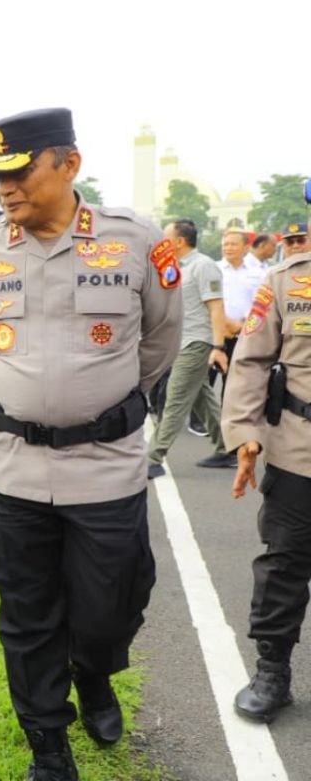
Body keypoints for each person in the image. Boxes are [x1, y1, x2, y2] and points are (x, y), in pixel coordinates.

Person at [0, 108, 181, 780]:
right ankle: (48, 744)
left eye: (19, 172)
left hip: (103, 468)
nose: (5, 190)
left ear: (69, 164)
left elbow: (161, 339)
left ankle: (95, 672)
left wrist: (94, 405)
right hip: (10, 468)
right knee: (27, 615)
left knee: (111, 608)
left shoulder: (134, 241)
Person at [222, 220, 311, 724]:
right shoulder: (285, 280)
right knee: (285, 561)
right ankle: (272, 670)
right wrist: (244, 432)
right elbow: (252, 361)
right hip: (300, 445)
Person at [145, 218, 236, 478]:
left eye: (166, 237)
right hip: (179, 342)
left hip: (198, 342)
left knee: (174, 398)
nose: (161, 241)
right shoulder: (173, 267)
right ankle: (227, 448)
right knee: (202, 399)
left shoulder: (203, 266)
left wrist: (218, 345)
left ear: (179, 241)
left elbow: (216, 307)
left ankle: (153, 458)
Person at [217, 226, 266, 376]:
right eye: (226, 244)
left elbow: (262, 304)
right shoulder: (213, 269)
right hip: (216, 333)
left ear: (246, 247)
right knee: (204, 383)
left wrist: (243, 325)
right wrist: (225, 323)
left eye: (233, 244)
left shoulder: (258, 274)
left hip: (245, 334)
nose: (228, 248)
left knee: (235, 382)